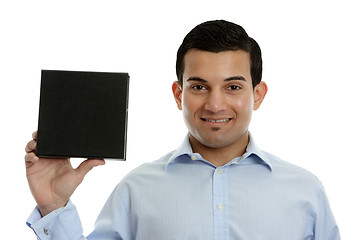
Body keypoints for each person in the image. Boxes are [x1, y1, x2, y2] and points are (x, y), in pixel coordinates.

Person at [25, 20, 340, 239]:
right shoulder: (136, 190)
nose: (215, 105)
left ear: (257, 94)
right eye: (200, 86)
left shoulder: (305, 192)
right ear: (179, 94)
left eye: (232, 86)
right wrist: (53, 205)